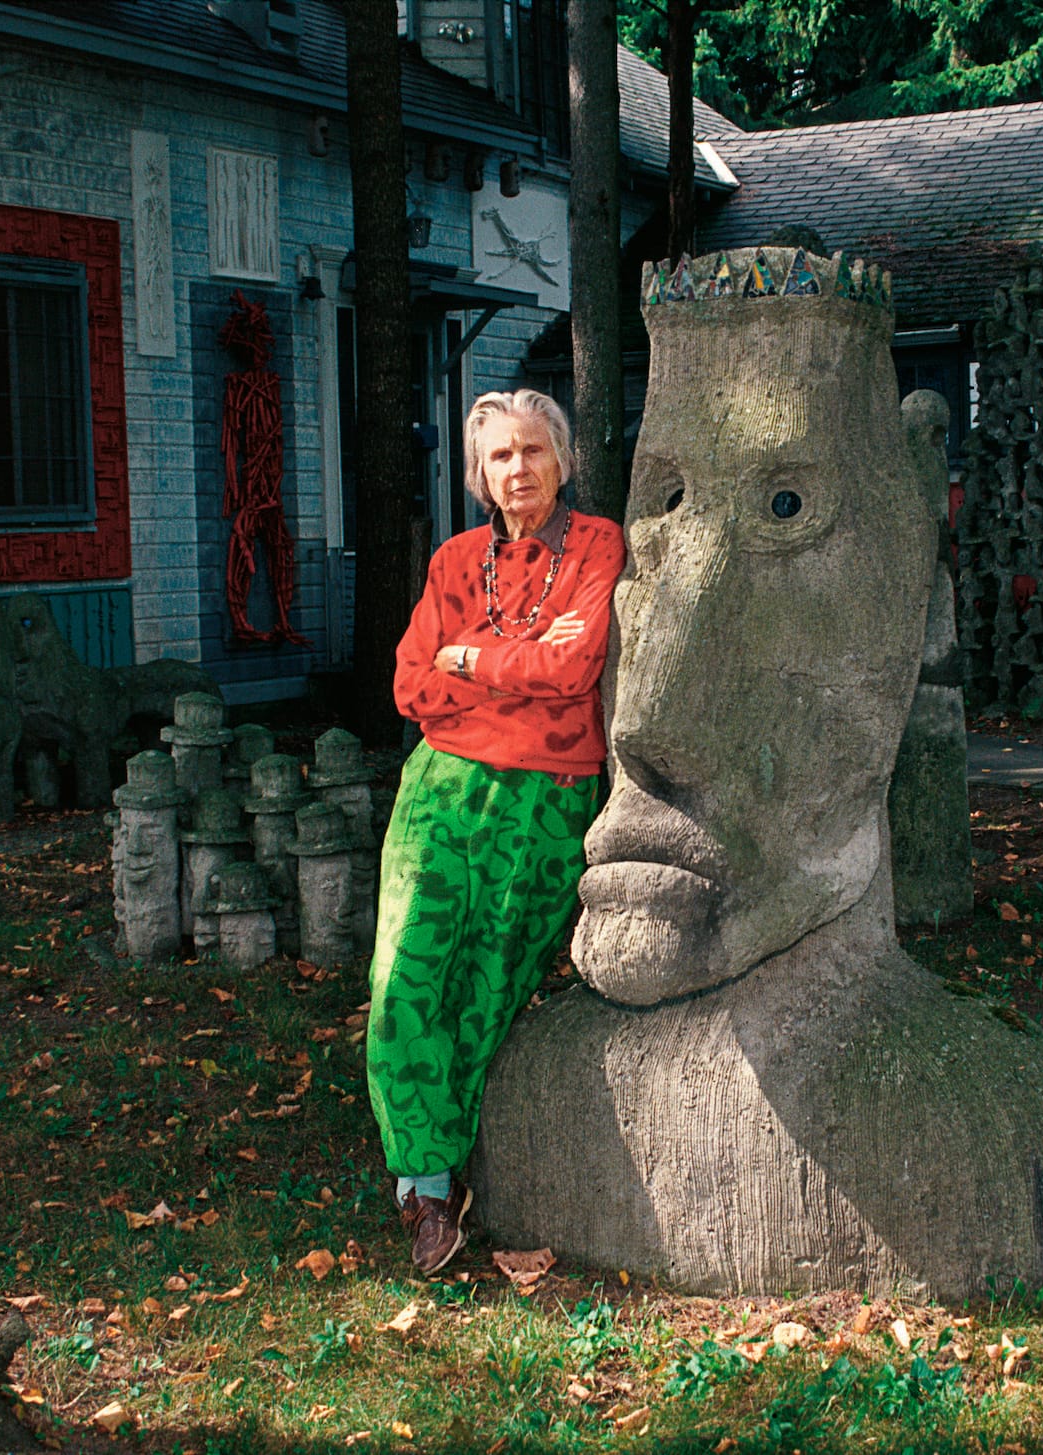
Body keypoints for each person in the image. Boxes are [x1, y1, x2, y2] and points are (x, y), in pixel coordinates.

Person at [366, 388, 625, 1275]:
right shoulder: (452, 562)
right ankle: (426, 1185)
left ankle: (452, 1159)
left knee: (488, 982)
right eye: (501, 457)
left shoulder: (597, 546)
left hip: (545, 798)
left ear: (562, 458)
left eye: (533, 451)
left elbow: (573, 664)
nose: (519, 469)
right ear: (480, 474)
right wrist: (516, 667)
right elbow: (409, 686)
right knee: (404, 972)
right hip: (440, 789)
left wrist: (469, 657)